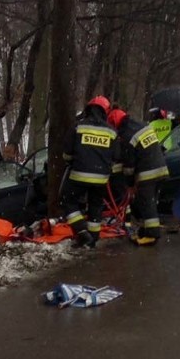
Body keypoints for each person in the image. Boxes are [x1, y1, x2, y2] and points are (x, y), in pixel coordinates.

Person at [61, 95, 118, 248]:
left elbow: (67, 152)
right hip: (101, 178)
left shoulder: (78, 127)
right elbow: (116, 155)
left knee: (68, 201)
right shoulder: (112, 132)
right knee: (95, 206)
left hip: (79, 175)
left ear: (89, 110)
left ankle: (81, 232)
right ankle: (93, 239)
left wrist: (71, 160)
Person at [108, 107, 170, 246]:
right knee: (150, 202)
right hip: (161, 167)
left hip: (148, 172)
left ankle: (151, 236)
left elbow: (129, 166)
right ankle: (148, 229)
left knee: (146, 202)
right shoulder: (140, 125)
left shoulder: (126, 135)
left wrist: (129, 185)